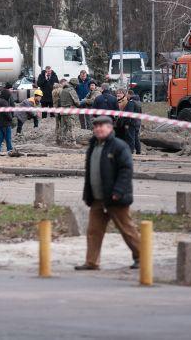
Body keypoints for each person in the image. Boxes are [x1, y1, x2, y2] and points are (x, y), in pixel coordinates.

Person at [75, 115, 140, 271]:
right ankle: (91, 262)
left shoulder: (119, 146)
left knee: (127, 230)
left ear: (110, 128)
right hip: (97, 199)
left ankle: (142, 257)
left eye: (101, 126)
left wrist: (118, 191)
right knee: (93, 231)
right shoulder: (93, 146)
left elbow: (126, 171)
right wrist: (88, 195)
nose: (98, 129)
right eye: (96, 126)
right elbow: (91, 172)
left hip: (115, 198)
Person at [57, 78, 81, 147]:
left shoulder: (63, 90)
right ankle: (73, 143)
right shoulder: (71, 90)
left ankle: (63, 142)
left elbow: (59, 101)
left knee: (64, 128)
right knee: (71, 127)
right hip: (69, 112)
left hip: (62, 111)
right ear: (74, 85)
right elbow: (77, 102)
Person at [115, 88, 137, 153]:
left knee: (125, 136)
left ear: (124, 94)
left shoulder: (124, 101)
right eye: (117, 93)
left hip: (123, 121)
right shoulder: (117, 100)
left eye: (120, 93)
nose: (118, 94)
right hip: (118, 122)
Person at [127, 89, 142, 154]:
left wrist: (127, 122)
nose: (126, 96)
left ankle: (131, 151)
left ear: (129, 94)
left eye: (127, 94)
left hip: (132, 122)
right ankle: (138, 150)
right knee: (136, 137)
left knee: (131, 137)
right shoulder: (138, 102)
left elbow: (129, 114)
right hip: (138, 122)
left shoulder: (131, 102)